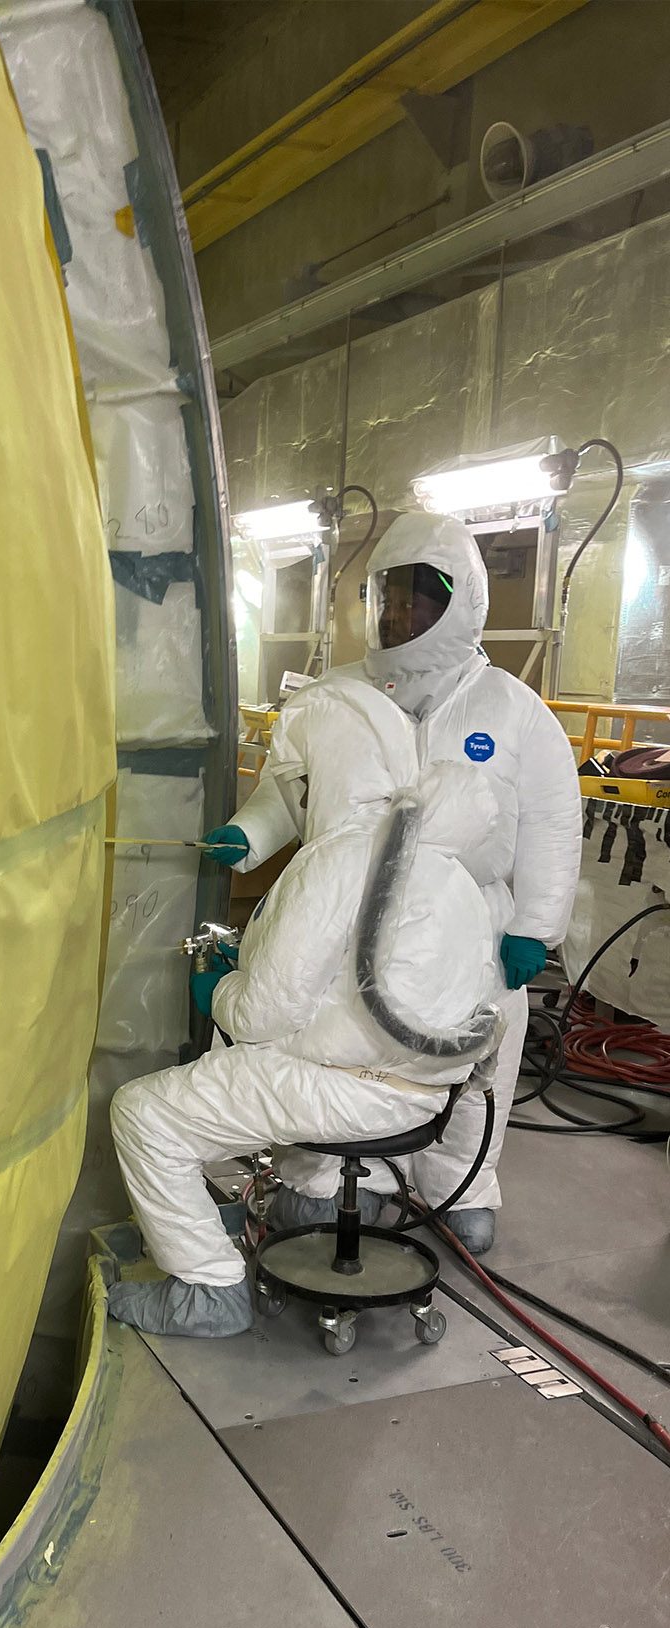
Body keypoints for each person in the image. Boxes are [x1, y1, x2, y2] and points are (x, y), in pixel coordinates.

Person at [205, 511, 581, 1254]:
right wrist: (251, 833)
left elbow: (549, 821)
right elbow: (289, 791)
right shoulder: (332, 697)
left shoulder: (510, 710)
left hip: (469, 932)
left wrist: (535, 926)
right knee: (330, 1046)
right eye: (390, 594)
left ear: (462, 599)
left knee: (473, 1055)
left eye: (420, 595)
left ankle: (461, 1186)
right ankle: (329, 1181)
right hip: (345, 920)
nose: (400, 611)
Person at [106, 677, 504, 1337]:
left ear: (330, 773)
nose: (299, 803)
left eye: (302, 786)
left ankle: (208, 1289)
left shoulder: (342, 859)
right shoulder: (443, 862)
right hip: (428, 1092)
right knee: (222, 1089)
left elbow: (262, 1014)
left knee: (145, 1115)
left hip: (354, 1091)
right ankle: (279, 1212)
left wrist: (221, 990)